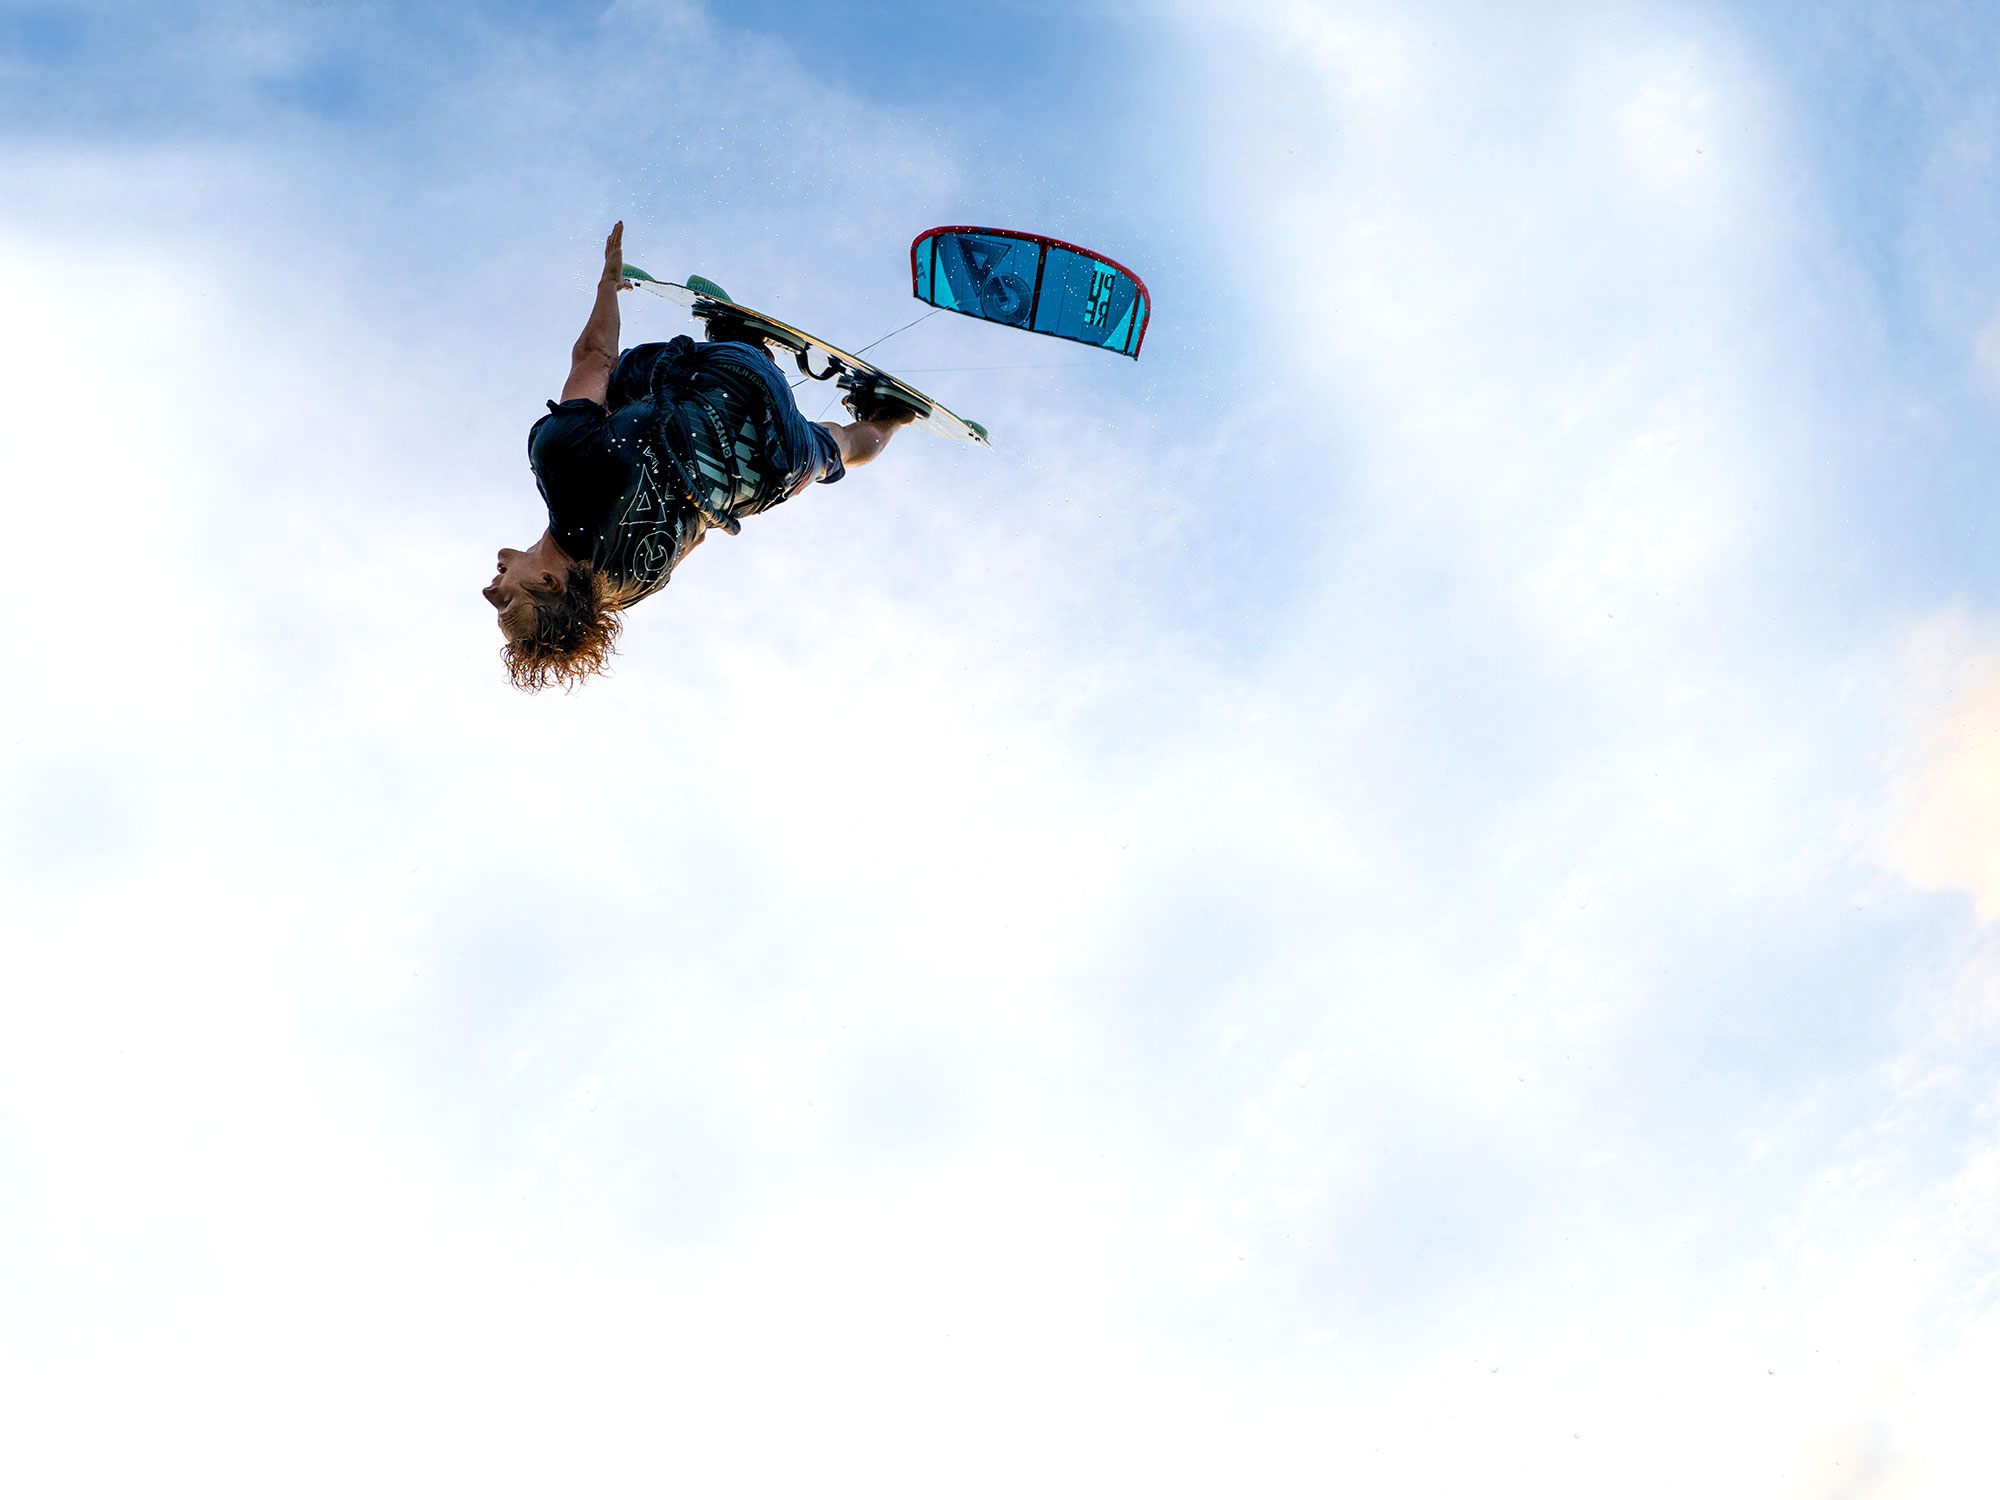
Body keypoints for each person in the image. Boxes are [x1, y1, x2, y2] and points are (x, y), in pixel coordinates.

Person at [486, 223, 915, 691]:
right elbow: (594, 357)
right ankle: (738, 337)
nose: (490, 590)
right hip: (735, 378)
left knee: (838, 447)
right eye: (504, 602)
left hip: (777, 470)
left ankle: (890, 417)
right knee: (616, 382)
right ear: (550, 583)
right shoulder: (561, 462)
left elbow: (693, 541)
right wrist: (607, 287)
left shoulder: (628, 590)